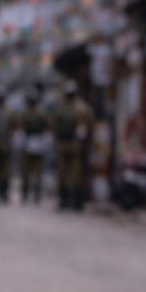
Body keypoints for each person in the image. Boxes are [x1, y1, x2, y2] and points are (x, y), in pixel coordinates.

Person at [51, 80, 93, 211]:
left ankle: (76, 200)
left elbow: (87, 126)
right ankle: (64, 199)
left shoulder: (81, 108)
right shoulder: (61, 107)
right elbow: (54, 124)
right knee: (63, 172)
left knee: (76, 173)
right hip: (64, 143)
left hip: (75, 144)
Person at [19, 91, 49, 204]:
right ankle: (26, 193)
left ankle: (36, 194)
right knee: (27, 170)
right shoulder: (26, 113)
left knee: (36, 171)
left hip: (38, 142)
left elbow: (47, 127)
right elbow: (21, 128)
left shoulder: (40, 113)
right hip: (28, 142)